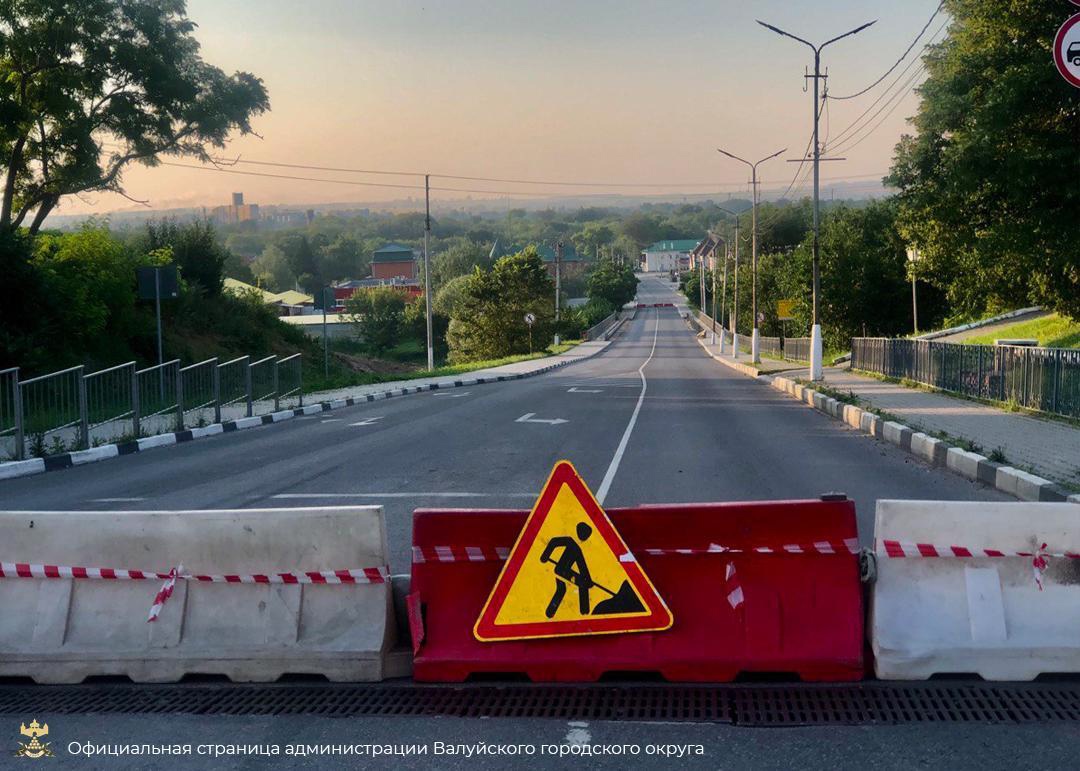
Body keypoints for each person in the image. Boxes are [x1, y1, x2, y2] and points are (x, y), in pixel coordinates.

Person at [539, 522, 594, 618]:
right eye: (585, 534)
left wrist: (588, 580)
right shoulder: (570, 542)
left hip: (565, 571)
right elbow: (553, 542)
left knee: (578, 585)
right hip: (561, 570)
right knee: (564, 588)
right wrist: (544, 556)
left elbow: (582, 567)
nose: (585, 537)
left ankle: (584, 613)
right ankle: (584, 611)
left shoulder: (577, 549)